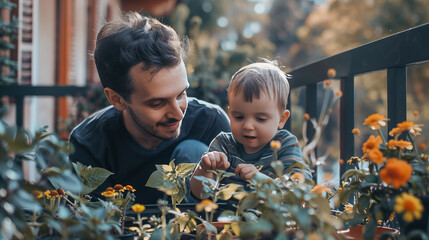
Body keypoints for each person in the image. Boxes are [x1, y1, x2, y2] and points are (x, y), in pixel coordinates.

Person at [69, 12, 230, 204]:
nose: (178, 113)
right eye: (157, 103)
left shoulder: (210, 123)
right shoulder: (89, 145)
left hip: (198, 230)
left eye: (181, 94)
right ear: (117, 99)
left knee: (194, 150)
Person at [190, 59, 311, 199]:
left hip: (271, 219)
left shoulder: (285, 144)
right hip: (224, 220)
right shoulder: (223, 144)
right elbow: (199, 194)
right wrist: (205, 169)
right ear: (230, 114)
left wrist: (261, 180)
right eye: (239, 117)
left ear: (282, 119)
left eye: (260, 119)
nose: (247, 126)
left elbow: (299, 191)